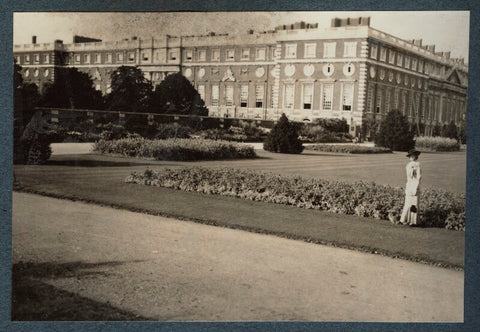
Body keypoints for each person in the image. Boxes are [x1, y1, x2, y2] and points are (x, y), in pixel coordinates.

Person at [400, 149, 422, 226]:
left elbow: (418, 177)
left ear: (416, 156)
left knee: (414, 204)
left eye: (413, 156)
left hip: (414, 185)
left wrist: (416, 187)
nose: (411, 157)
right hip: (409, 184)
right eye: (410, 156)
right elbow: (409, 176)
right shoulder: (409, 165)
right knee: (408, 202)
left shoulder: (417, 164)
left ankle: (413, 221)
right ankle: (405, 219)